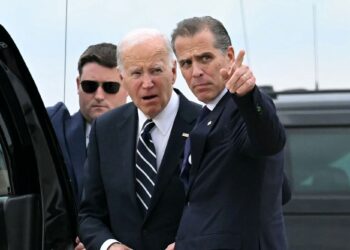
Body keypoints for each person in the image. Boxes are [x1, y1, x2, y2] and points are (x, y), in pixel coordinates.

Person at [168, 16, 288, 250]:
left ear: (230, 56)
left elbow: (269, 141)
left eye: (205, 58)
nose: (196, 72)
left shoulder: (243, 107)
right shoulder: (206, 115)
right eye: (186, 63)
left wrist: (248, 96)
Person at [78, 29, 201, 250]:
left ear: (173, 71)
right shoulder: (104, 129)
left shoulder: (205, 124)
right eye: (136, 73)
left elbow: (224, 211)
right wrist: (109, 246)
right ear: (122, 78)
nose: (147, 83)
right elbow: (89, 215)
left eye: (156, 70)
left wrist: (189, 245)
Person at [47, 43, 128, 204]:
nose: (99, 95)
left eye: (110, 87)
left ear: (127, 86)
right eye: (90, 86)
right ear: (78, 85)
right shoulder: (52, 128)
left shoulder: (146, 138)